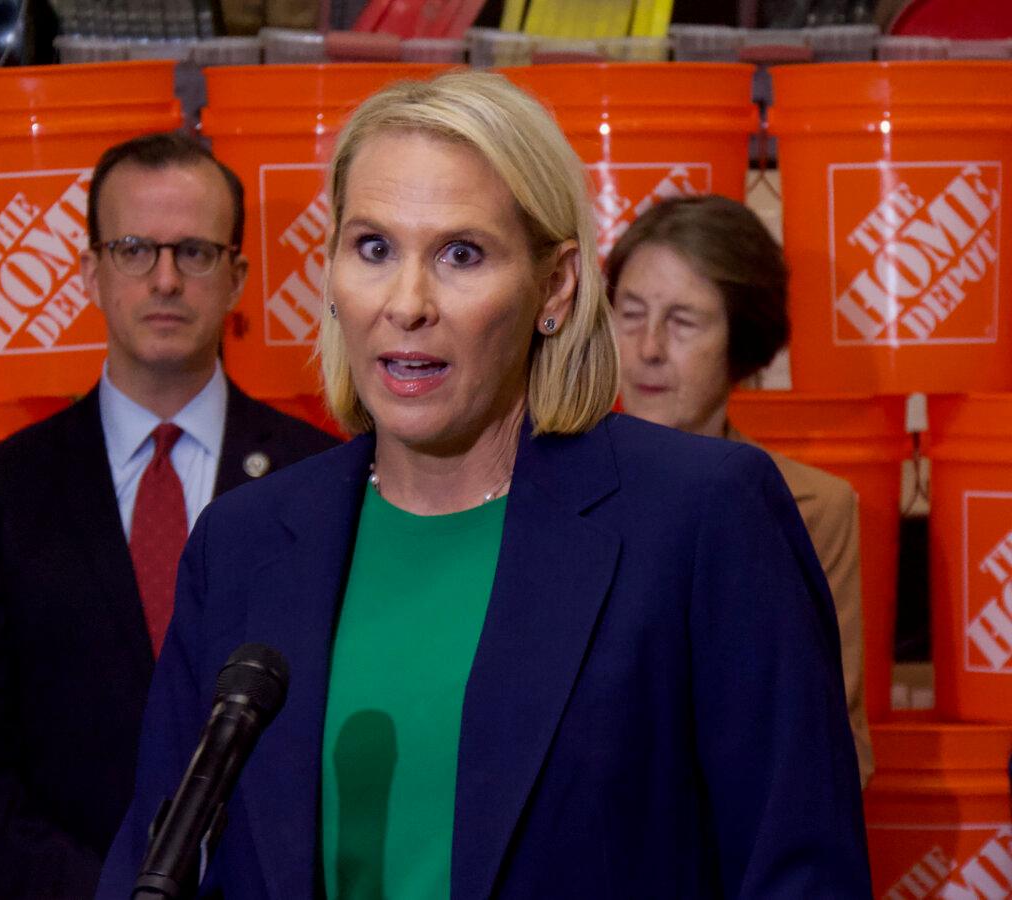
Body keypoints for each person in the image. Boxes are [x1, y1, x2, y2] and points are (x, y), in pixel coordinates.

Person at [97, 73, 871, 897]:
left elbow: (798, 870)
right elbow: (159, 859)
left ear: (556, 285)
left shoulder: (703, 517)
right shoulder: (242, 543)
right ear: (328, 274)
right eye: (373, 248)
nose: (407, 302)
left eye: (461, 254)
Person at [0, 131, 338, 899]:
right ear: (90, 271)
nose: (167, 280)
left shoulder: (323, 480)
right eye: (135, 249)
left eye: (196, 252)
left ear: (239, 276)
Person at [604, 194, 874, 787]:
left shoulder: (810, 506)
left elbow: (836, 745)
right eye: (630, 312)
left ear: (742, 343)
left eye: (683, 321)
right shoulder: (548, 487)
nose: (648, 348)